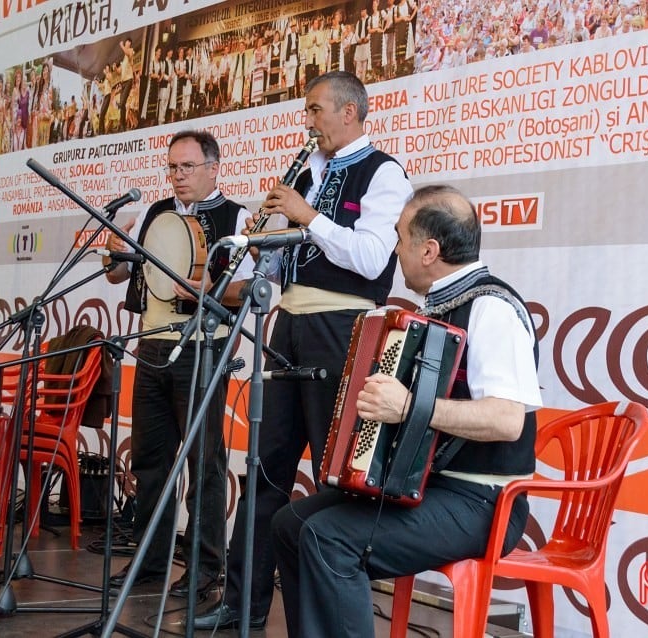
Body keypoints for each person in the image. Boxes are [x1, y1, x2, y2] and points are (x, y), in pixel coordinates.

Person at [192, 70, 412, 631]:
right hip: (286, 323)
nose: (308, 122)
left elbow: (369, 259)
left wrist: (307, 215)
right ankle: (242, 605)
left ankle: (328, 613)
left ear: (350, 112)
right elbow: (283, 258)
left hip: (343, 328)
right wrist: (256, 246)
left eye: (316, 110)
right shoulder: (308, 173)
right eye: (307, 111)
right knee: (265, 470)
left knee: (332, 475)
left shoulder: (384, 173)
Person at [271, 184, 542, 637]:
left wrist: (408, 406)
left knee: (330, 538)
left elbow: (507, 420)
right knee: (290, 523)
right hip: (429, 487)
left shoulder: (491, 308)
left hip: (482, 502)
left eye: (399, 238)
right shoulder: (440, 305)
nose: (395, 250)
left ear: (429, 250)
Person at [104, 130, 254, 597]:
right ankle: (149, 565)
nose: (177, 176)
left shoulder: (238, 217)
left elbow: (250, 289)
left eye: (187, 167)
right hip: (152, 346)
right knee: (150, 462)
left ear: (213, 167)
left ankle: (206, 569)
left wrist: (208, 289)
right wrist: (114, 253)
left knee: (203, 462)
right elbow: (122, 275)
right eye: (172, 167)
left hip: (202, 348)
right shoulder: (156, 214)